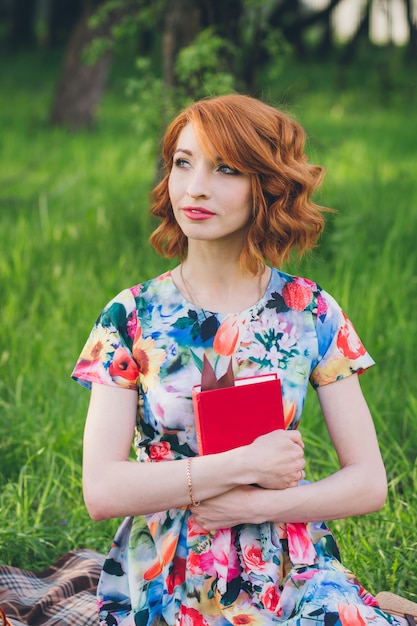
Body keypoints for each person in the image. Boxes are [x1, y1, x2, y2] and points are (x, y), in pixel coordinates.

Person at [72, 94, 405, 626]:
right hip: (172, 566)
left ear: (266, 186)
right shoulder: (130, 315)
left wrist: (258, 506)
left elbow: (368, 482)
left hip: (290, 562)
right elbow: (103, 490)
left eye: (225, 169)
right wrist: (240, 467)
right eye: (184, 162)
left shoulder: (310, 309)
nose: (195, 186)